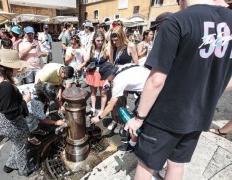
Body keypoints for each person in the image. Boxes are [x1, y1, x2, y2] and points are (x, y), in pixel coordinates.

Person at [124, 1, 232, 180]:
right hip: (200, 115)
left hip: (165, 116)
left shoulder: (177, 21)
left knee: (146, 165)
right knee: (176, 163)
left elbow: (157, 80)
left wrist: (138, 118)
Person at [0, 49, 35, 176]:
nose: (18, 69)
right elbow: (12, 114)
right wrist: (25, 101)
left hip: (2, 120)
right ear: (8, 67)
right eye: (16, 67)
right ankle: (24, 170)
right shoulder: (5, 86)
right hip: (12, 124)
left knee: (16, 143)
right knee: (22, 146)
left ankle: (10, 164)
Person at [91, 61, 150, 148]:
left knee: (138, 119)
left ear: (110, 74)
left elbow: (110, 106)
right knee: (138, 116)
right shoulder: (122, 66)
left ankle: (133, 145)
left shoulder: (118, 81)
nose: (105, 80)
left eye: (106, 77)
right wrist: (108, 81)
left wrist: (98, 118)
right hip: (151, 82)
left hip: (150, 92)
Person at [82, 31, 108, 115]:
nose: (100, 42)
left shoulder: (106, 48)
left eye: (101, 40)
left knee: (103, 93)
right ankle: (93, 108)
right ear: (94, 40)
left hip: (103, 74)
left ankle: (101, 110)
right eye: (98, 40)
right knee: (93, 92)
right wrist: (90, 47)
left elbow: (110, 61)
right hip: (92, 74)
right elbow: (86, 59)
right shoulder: (91, 48)